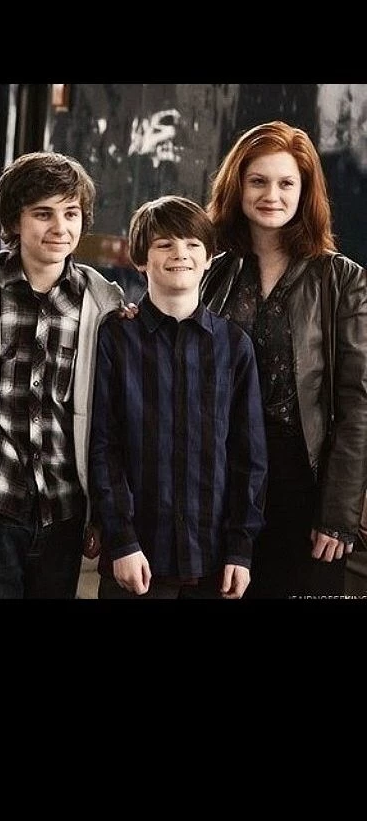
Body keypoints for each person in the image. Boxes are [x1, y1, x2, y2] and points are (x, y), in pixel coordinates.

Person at [0, 150, 130, 599]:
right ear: (15, 220)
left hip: (64, 507)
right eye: (43, 214)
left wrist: (99, 513)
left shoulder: (103, 301)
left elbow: (110, 414)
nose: (59, 227)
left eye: (71, 213)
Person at [202, 120, 367, 599]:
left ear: (304, 191)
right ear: (238, 186)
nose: (271, 195)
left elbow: (358, 402)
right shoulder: (212, 271)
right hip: (220, 478)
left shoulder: (342, 280)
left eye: (286, 183)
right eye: (258, 181)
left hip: (303, 482)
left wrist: (339, 513)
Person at [89, 195, 267, 599]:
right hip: (137, 557)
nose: (180, 254)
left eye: (192, 244)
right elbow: (104, 447)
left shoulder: (234, 346)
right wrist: (122, 540)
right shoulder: (115, 338)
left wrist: (241, 548)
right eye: (164, 244)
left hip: (213, 561)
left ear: (209, 259)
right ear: (140, 259)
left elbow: (249, 458)